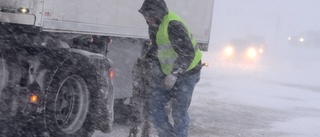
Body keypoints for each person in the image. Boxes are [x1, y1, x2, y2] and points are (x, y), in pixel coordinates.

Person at [138, 0, 203, 136]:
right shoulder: (154, 24)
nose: (147, 20)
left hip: (187, 72)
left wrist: (175, 74)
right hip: (166, 71)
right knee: (154, 106)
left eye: (148, 16)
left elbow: (188, 53)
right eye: (145, 16)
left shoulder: (173, 25)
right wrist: (145, 60)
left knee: (179, 112)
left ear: (157, 13)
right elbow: (157, 46)